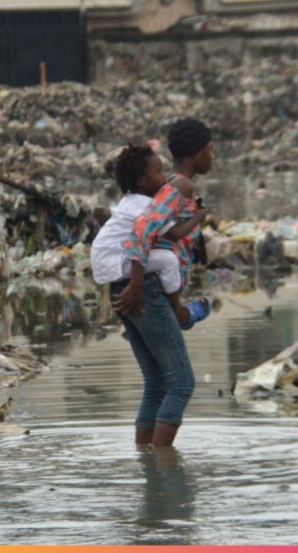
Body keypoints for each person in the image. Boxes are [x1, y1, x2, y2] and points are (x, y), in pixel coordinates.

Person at [112, 118, 215, 448]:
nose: (212, 156)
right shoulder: (180, 186)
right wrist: (138, 285)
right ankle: (162, 469)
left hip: (140, 285)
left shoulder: (168, 186)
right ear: (196, 153)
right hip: (146, 287)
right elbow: (144, 228)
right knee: (181, 384)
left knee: (157, 384)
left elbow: (166, 234)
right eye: (210, 150)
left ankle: (147, 465)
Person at [91, 143, 210, 328]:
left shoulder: (130, 199)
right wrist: (198, 217)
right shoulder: (147, 206)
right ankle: (178, 310)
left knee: (161, 256)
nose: (165, 179)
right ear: (142, 181)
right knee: (169, 260)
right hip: (114, 261)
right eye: (159, 172)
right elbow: (174, 234)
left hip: (105, 259)